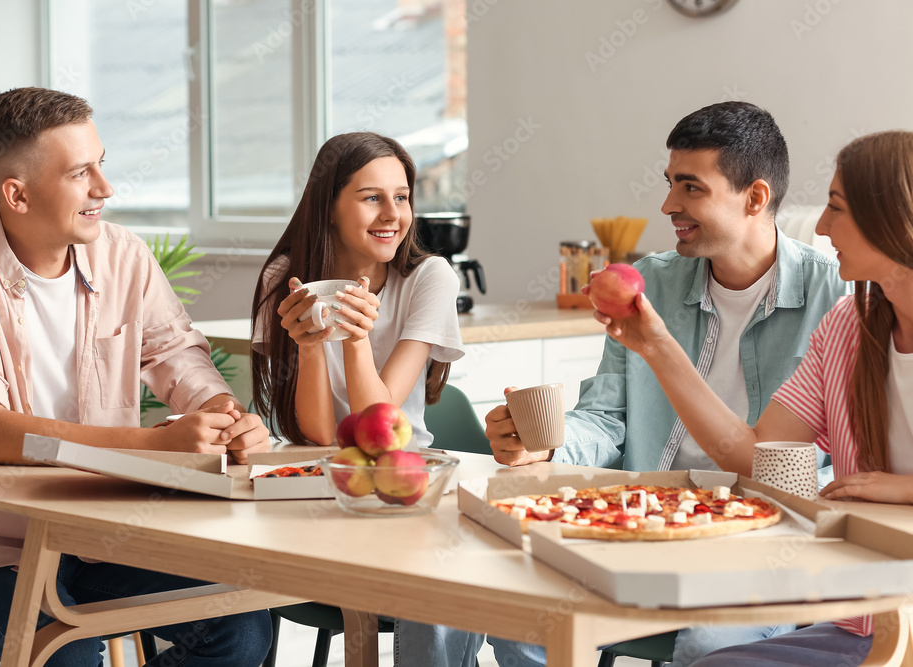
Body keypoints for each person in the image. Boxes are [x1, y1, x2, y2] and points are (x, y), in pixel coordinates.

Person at [483, 101, 852, 667]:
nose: (667, 205)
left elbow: (821, 465)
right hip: (644, 516)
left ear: (754, 198)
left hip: (762, 537)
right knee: (523, 620)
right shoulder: (648, 282)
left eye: (690, 188)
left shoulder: (836, 299)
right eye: (669, 183)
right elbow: (607, 414)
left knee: (710, 644)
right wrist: (549, 442)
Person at [0, 87, 272, 666]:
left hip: (105, 533)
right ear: (17, 193)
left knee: (240, 624)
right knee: (72, 656)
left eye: (100, 164)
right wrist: (156, 448)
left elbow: (177, 352)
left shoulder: (123, 255)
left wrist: (224, 415)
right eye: (82, 172)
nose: (105, 189)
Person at [597, 130, 913, 667]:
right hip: (874, 619)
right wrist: (657, 347)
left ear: (894, 218)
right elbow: (753, 452)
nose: (819, 225)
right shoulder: (846, 329)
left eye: (836, 207)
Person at [249, 131, 470, 664]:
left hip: (405, 484)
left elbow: (381, 428)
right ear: (329, 207)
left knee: (443, 584)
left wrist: (353, 339)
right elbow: (322, 437)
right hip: (319, 490)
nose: (392, 214)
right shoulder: (284, 279)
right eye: (372, 197)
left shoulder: (428, 277)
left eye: (402, 196)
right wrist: (307, 347)